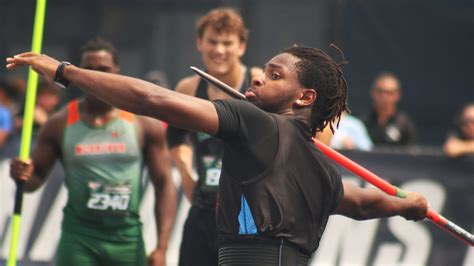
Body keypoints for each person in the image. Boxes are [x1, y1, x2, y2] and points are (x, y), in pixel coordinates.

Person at [6, 45, 428, 266]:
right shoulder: (317, 162)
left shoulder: (258, 123)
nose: (259, 77)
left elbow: (153, 100)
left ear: (304, 97)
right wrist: (405, 206)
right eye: (263, 70)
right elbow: (355, 202)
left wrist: (66, 73)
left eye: (275, 75)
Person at [8, 37, 176, 266]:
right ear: (77, 73)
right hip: (79, 240)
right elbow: (33, 181)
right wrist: (21, 174)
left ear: (116, 72)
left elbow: (164, 183)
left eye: (104, 70)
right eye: (89, 70)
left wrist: (162, 247)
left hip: (127, 240)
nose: (96, 76)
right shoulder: (59, 123)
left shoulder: (144, 124)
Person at [166, 8, 261, 266]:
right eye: (212, 41)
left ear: (241, 46)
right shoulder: (188, 88)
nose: (219, 50)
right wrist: (185, 173)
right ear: (200, 43)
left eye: (227, 43)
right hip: (203, 209)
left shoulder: (259, 85)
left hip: (246, 218)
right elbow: (175, 135)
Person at [362, 72, 416, 146]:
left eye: (389, 93)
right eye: (380, 91)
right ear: (372, 93)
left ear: (397, 95)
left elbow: (411, 153)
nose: (384, 96)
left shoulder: (404, 124)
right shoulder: (363, 123)